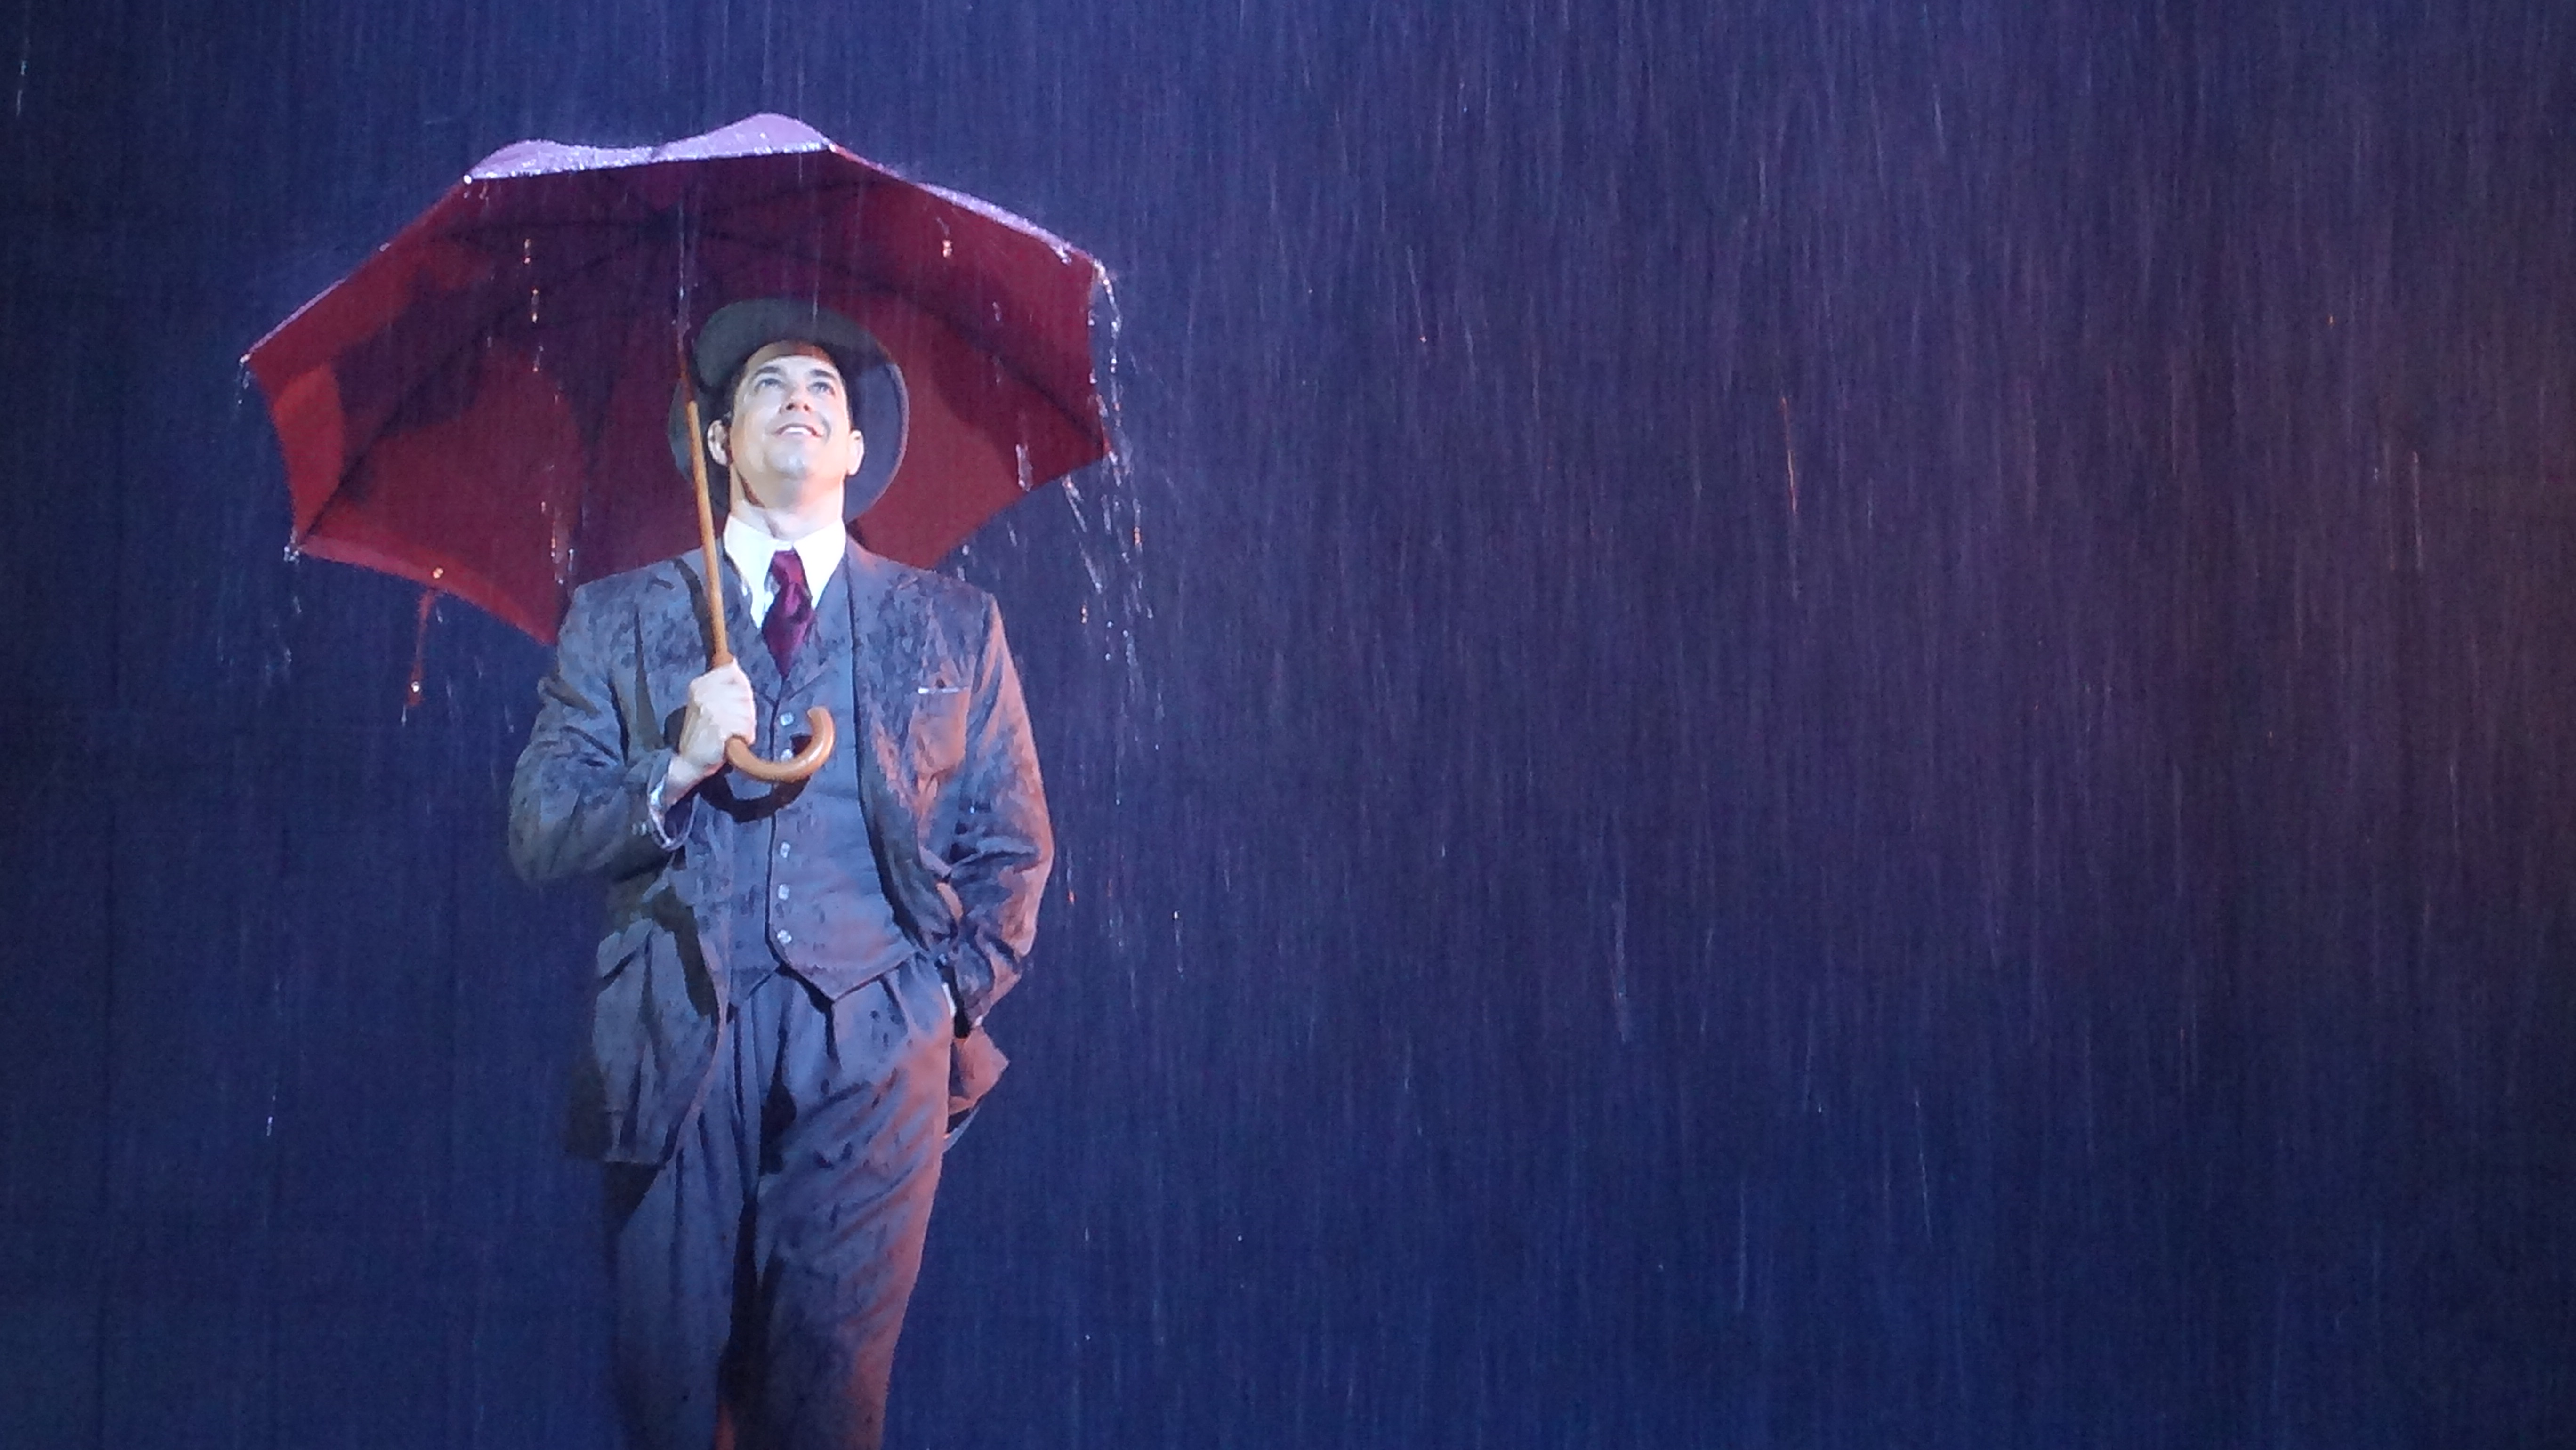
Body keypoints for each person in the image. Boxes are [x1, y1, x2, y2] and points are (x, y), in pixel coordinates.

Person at [507, 298, 1053, 1450]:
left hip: (876, 1050)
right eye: (767, 385)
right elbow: (541, 824)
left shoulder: (953, 624)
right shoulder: (620, 619)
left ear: (853, 448)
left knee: (828, 1401)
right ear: (717, 440)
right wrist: (675, 765)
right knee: (667, 1400)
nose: (798, 400)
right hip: (675, 1045)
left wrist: (937, 1004)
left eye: (823, 391)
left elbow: (1013, 846)